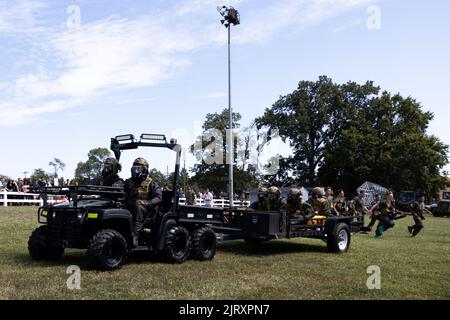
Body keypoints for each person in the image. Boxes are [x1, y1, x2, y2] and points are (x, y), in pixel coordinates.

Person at [124, 158, 162, 244]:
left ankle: (135, 235)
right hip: (132, 206)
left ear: (144, 170)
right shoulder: (128, 182)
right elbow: (121, 192)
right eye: (134, 168)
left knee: (138, 206)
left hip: (147, 210)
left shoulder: (151, 183)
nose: (136, 171)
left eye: (139, 169)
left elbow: (158, 197)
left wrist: (147, 203)